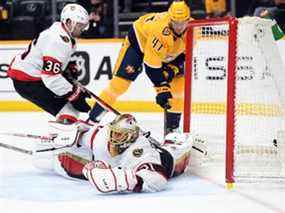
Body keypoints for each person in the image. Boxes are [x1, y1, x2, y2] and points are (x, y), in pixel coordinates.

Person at [89, 0, 191, 134]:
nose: (179, 27)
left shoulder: (194, 29)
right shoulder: (160, 30)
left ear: (188, 20)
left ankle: (172, 131)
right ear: (170, 19)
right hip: (139, 43)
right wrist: (161, 88)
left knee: (178, 90)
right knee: (119, 84)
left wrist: (174, 69)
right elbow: (151, 65)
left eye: (183, 22)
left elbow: (187, 56)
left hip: (169, 52)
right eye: (175, 22)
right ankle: (91, 122)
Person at [33, 114, 193, 193]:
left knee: (182, 153)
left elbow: (158, 178)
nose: (113, 138)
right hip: (117, 165)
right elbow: (82, 132)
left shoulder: (140, 150)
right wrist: (67, 134)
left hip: (166, 160)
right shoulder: (102, 135)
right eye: (113, 132)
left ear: (130, 136)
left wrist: (127, 180)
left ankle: (173, 142)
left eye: (119, 134)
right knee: (51, 159)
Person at [7, 3, 91, 123]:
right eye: (80, 25)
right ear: (68, 22)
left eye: (84, 25)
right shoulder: (58, 40)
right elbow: (51, 78)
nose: (83, 29)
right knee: (69, 112)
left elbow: (52, 62)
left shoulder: (62, 32)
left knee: (70, 108)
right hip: (27, 81)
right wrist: (74, 95)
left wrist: (68, 67)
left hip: (34, 75)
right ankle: (61, 138)